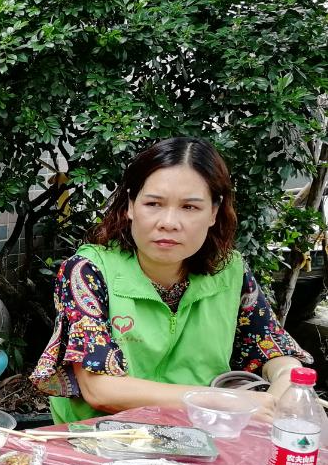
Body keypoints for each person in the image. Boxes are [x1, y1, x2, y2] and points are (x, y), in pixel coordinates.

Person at [30, 137, 311, 424]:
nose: (169, 222)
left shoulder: (231, 273)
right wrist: (220, 401)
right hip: (101, 444)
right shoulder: (88, 272)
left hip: (202, 441)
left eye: (189, 207)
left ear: (213, 212)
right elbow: (100, 389)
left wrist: (286, 379)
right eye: (153, 203)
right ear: (130, 206)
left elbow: (271, 347)